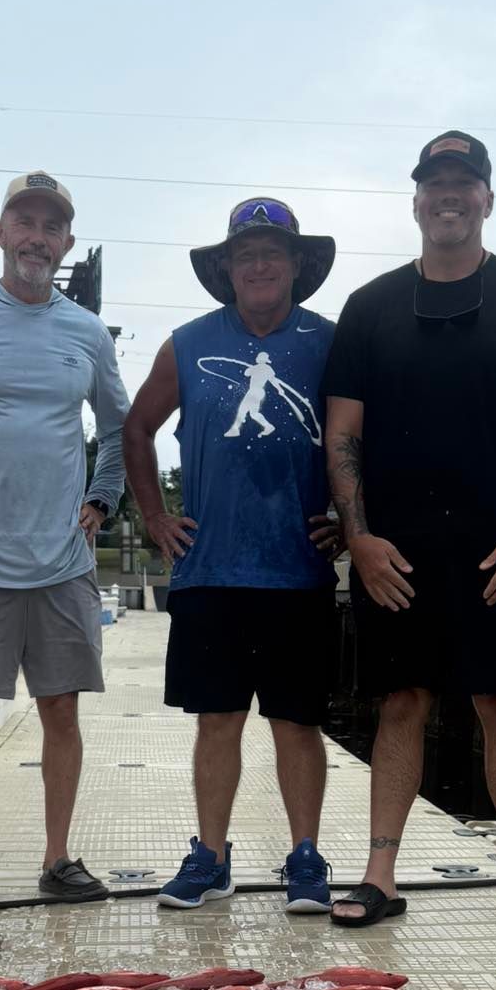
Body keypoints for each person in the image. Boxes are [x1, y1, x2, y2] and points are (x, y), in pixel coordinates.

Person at [322, 130, 496, 935]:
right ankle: (380, 875)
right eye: (435, 183)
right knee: (400, 702)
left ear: (487, 200)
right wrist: (359, 540)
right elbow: (342, 437)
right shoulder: (368, 308)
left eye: (463, 183)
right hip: (395, 552)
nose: (449, 195)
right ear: (415, 203)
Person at [123, 199, 340, 911]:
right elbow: (136, 429)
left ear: (296, 265)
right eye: (244, 254)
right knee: (217, 719)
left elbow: (370, 438)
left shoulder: (331, 344)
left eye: (272, 253)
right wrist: (155, 515)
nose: (258, 265)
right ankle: (211, 856)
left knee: (296, 723)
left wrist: (350, 518)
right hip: (210, 568)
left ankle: (305, 856)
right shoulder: (186, 343)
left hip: (298, 570)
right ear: (225, 268)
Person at [0, 173, 127, 911]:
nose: (38, 237)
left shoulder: (87, 332)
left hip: (64, 561)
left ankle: (58, 856)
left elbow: (119, 426)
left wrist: (103, 497)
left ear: (66, 244)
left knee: (61, 711)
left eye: (52, 227)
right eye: (25, 221)